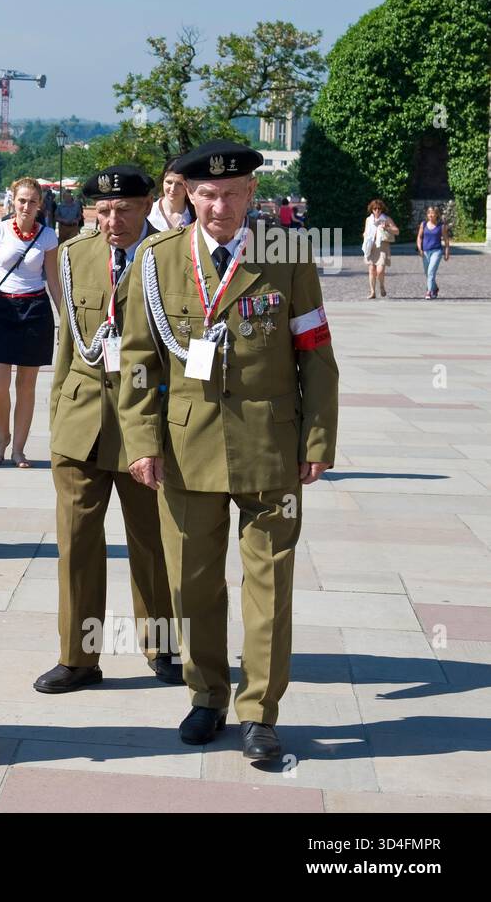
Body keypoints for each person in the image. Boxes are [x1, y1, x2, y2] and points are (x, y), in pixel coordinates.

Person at [118, 139, 338, 761]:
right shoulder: (158, 259)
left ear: (251, 195)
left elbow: (315, 352)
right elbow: (136, 359)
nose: (219, 206)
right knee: (192, 585)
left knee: (269, 584)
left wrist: (318, 438)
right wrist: (140, 440)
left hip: (271, 445)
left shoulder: (285, 254)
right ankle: (207, 693)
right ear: (188, 194)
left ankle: (260, 710)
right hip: (186, 448)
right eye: (207, 195)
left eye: (232, 194)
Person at [33, 165, 182, 694]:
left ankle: (163, 644)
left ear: (148, 205)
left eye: (123, 209)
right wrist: (56, 412)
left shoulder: (172, 254)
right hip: (82, 419)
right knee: (76, 542)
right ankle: (78, 655)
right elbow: (69, 343)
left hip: (145, 420)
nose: (111, 220)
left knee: (152, 540)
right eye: (102, 210)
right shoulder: (76, 254)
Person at [0, 177, 61, 467]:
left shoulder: (47, 236)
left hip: (35, 308)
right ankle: (3, 435)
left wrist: (65, 318)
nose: (26, 206)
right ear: (12, 201)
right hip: (0, 307)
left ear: (39, 205)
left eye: (32, 201)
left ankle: (19, 448)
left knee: (27, 385)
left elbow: (54, 280)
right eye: (22, 200)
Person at [362, 199, 399, 299]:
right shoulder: (368, 220)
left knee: (380, 270)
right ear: (371, 209)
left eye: (379, 208)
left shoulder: (386, 219)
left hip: (382, 246)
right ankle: (372, 292)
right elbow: (365, 231)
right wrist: (365, 235)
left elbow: (397, 231)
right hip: (371, 246)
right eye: (375, 209)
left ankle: (382, 285)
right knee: (371, 269)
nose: (377, 210)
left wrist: (387, 227)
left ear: (382, 209)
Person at [147, 156, 194, 232]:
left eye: (179, 183)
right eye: (169, 182)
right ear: (162, 181)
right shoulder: (148, 213)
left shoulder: (196, 215)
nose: (173, 189)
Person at [416, 205, 450, 300]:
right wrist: (420, 249)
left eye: (433, 213)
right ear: (427, 215)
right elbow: (419, 237)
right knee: (427, 273)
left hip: (437, 251)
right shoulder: (423, 224)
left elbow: (446, 240)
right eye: (429, 213)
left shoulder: (441, 226)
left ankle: (429, 291)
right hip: (425, 251)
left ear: (436, 215)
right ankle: (435, 288)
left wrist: (447, 252)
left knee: (431, 272)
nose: (431, 215)